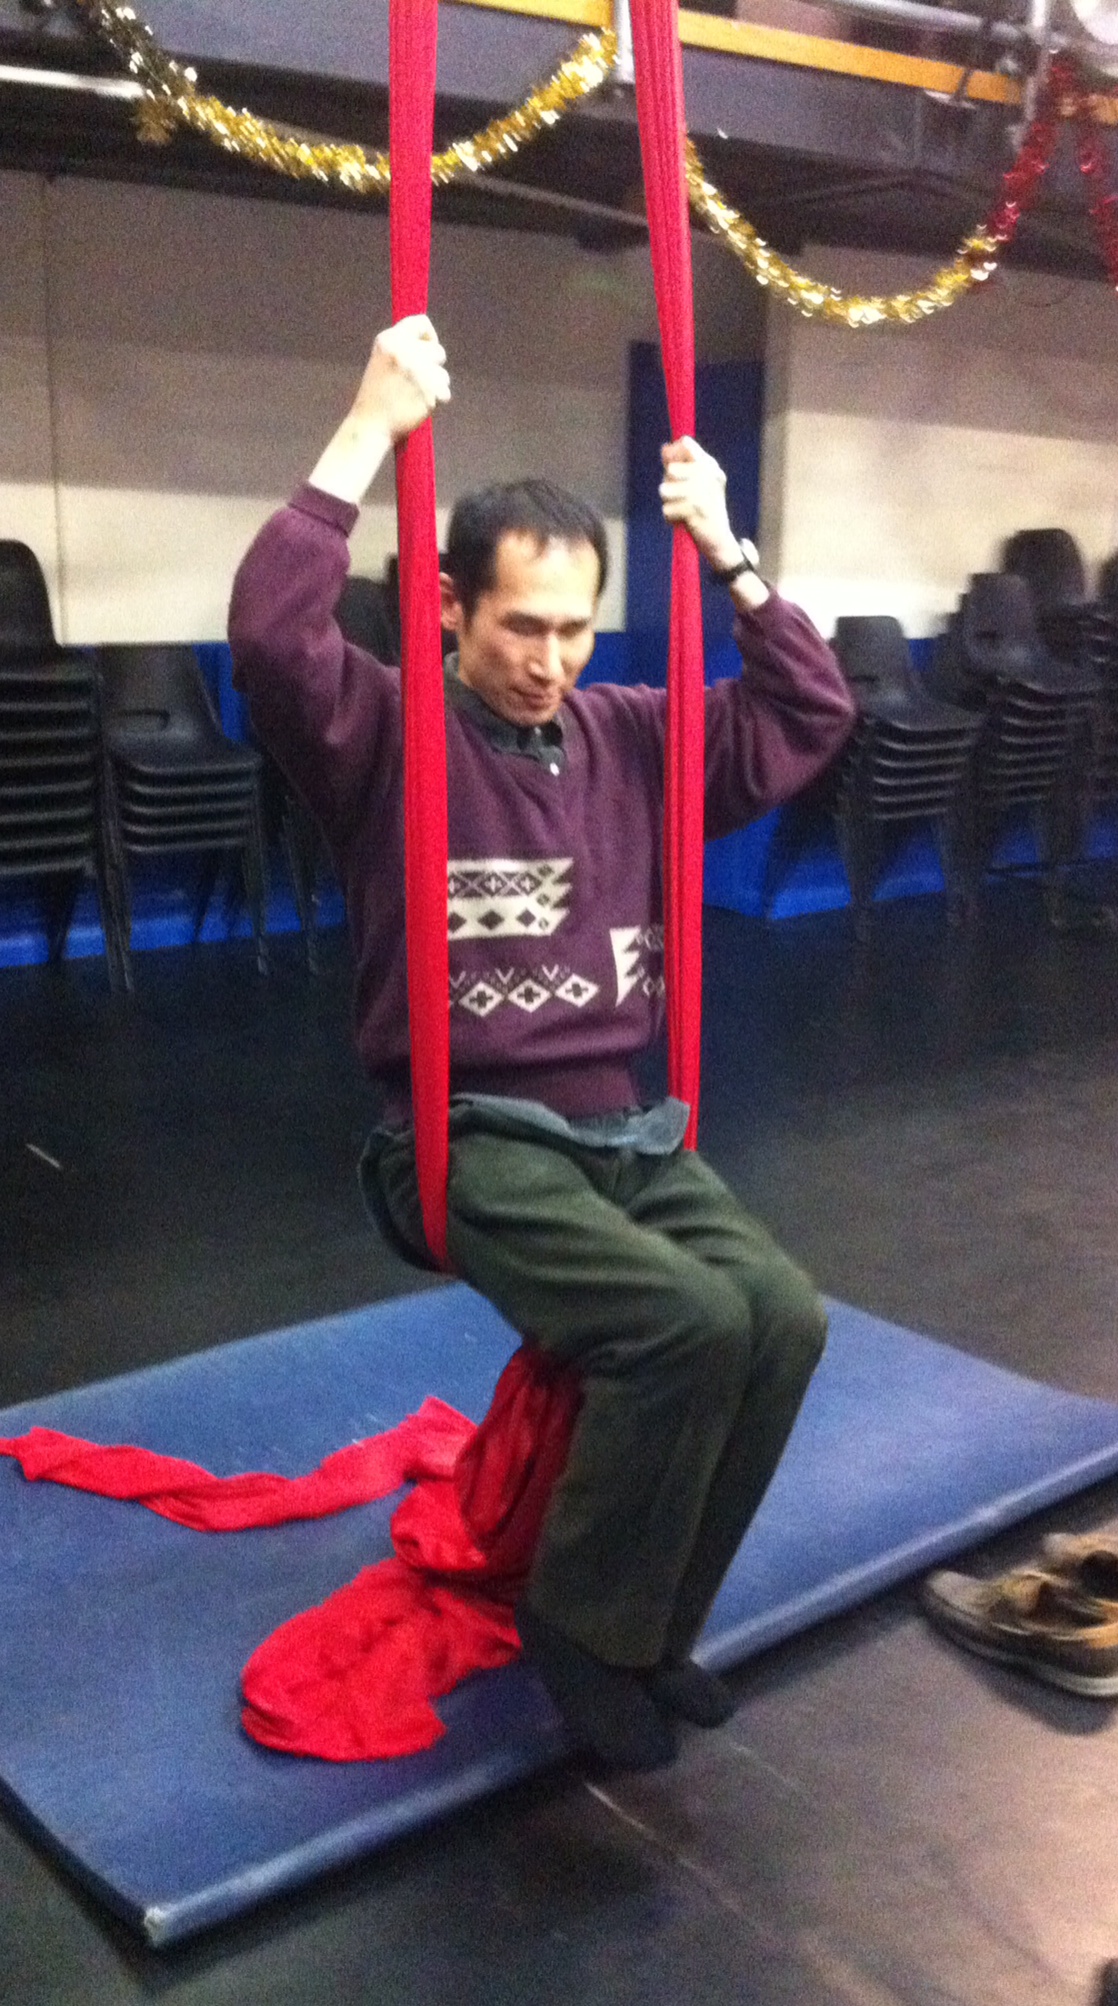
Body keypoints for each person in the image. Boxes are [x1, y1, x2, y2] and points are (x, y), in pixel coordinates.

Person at [229, 314, 855, 1771]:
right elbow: (269, 636)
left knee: (781, 1315)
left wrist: (730, 555)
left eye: (576, 628)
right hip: (461, 1137)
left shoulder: (630, 733)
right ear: (449, 610)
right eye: (522, 626)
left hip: (619, 1132)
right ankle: (580, 1622)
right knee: (679, 1325)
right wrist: (367, 425)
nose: (551, 660)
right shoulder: (384, 734)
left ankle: (652, 1624)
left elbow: (808, 709)